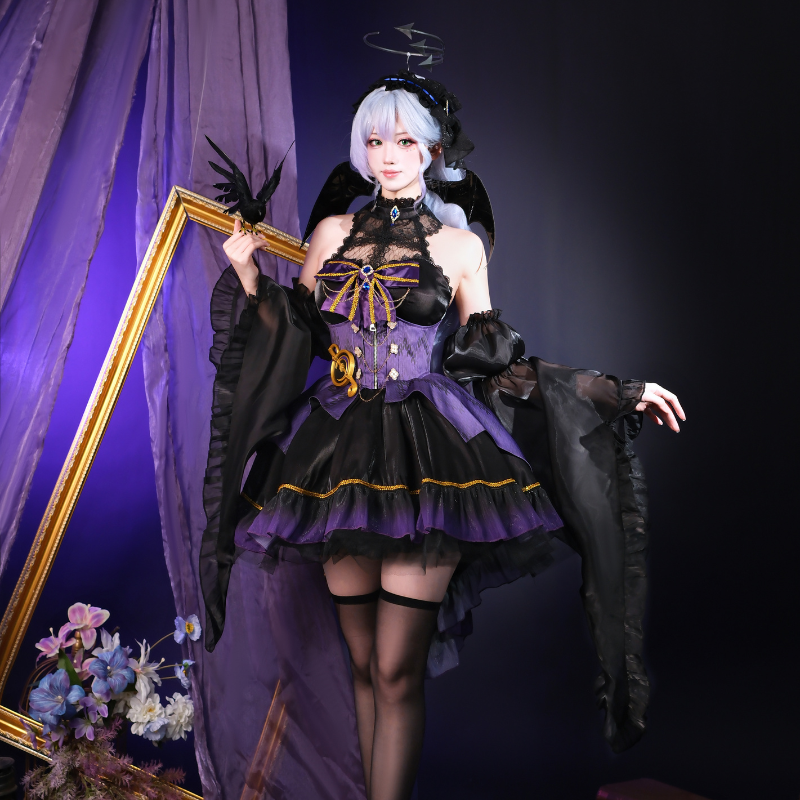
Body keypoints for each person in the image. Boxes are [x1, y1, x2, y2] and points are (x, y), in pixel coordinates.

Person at [201, 71, 684, 800]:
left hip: (429, 459)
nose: (387, 155)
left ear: (430, 150)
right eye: (374, 141)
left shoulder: (459, 247)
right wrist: (246, 275)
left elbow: (500, 365)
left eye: (403, 141)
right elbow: (297, 336)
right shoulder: (329, 235)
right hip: (333, 456)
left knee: (397, 670)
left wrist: (614, 392)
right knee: (363, 666)